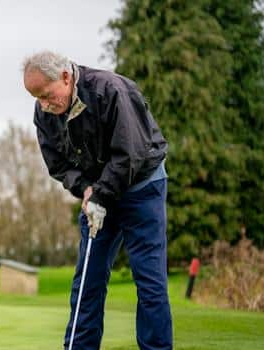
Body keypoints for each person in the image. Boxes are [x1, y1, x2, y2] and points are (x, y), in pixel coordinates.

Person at [22, 51, 171, 349]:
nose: (44, 105)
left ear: (65, 77)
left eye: (47, 95)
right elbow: (58, 165)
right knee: (88, 280)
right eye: (36, 98)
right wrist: (86, 189)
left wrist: (99, 193)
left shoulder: (110, 90)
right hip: (98, 194)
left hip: (142, 186)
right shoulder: (44, 114)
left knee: (149, 279)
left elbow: (130, 153)